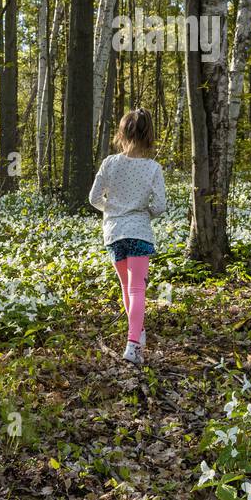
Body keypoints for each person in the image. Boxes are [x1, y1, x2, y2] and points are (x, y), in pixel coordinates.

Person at [88, 107, 167, 366]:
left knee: (127, 287)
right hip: (139, 232)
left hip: (113, 232)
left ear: (122, 133)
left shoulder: (110, 163)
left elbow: (93, 198)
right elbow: (160, 206)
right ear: (149, 136)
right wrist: (143, 213)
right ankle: (133, 344)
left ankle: (138, 331)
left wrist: (112, 210)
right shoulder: (152, 168)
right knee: (137, 289)